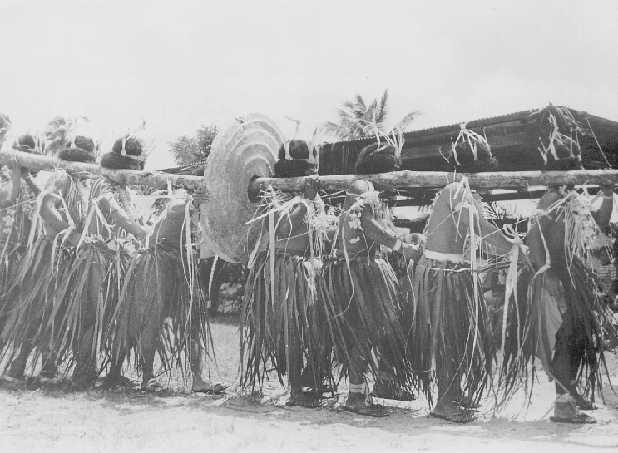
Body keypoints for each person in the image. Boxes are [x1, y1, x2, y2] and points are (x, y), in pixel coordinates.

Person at [321, 142, 417, 416]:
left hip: (356, 267)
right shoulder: (364, 189)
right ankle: (354, 395)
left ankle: (366, 388)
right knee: (368, 328)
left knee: (370, 328)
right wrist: (401, 246)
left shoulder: (362, 188)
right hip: (358, 269)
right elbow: (366, 224)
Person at [410, 179, 517, 422]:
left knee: (458, 337)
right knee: (449, 337)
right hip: (442, 274)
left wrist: (507, 246)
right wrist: (510, 245)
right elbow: (475, 226)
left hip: (454, 273)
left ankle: (454, 393)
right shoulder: (456, 190)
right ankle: (444, 403)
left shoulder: (461, 192)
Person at [242, 139, 330, 407]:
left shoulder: (313, 196)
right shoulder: (272, 194)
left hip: (307, 268)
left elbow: (321, 233)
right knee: (291, 328)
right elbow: (283, 228)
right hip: (281, 269)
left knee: (318, 327)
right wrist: (307, 201)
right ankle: (294, 389)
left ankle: (311, 376)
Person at [1, 132, 91, 382]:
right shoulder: (61, 177)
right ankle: (18, 364)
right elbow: (45, 208)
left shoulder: (78, 185)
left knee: (58, 309)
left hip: (67, 255)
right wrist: (70, 233)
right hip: (49, 253)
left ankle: (48, 364)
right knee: (37, 307)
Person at [525, 183, 616, 423]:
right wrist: (545, 272)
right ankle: (563, 405)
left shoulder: (575, 199)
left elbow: (599, 225)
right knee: (569, 337)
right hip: (561, 275)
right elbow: (533, 234)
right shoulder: (550, 198)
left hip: (579, 276)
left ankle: (571, 394)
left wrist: (608, 195)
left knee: (580, 337)